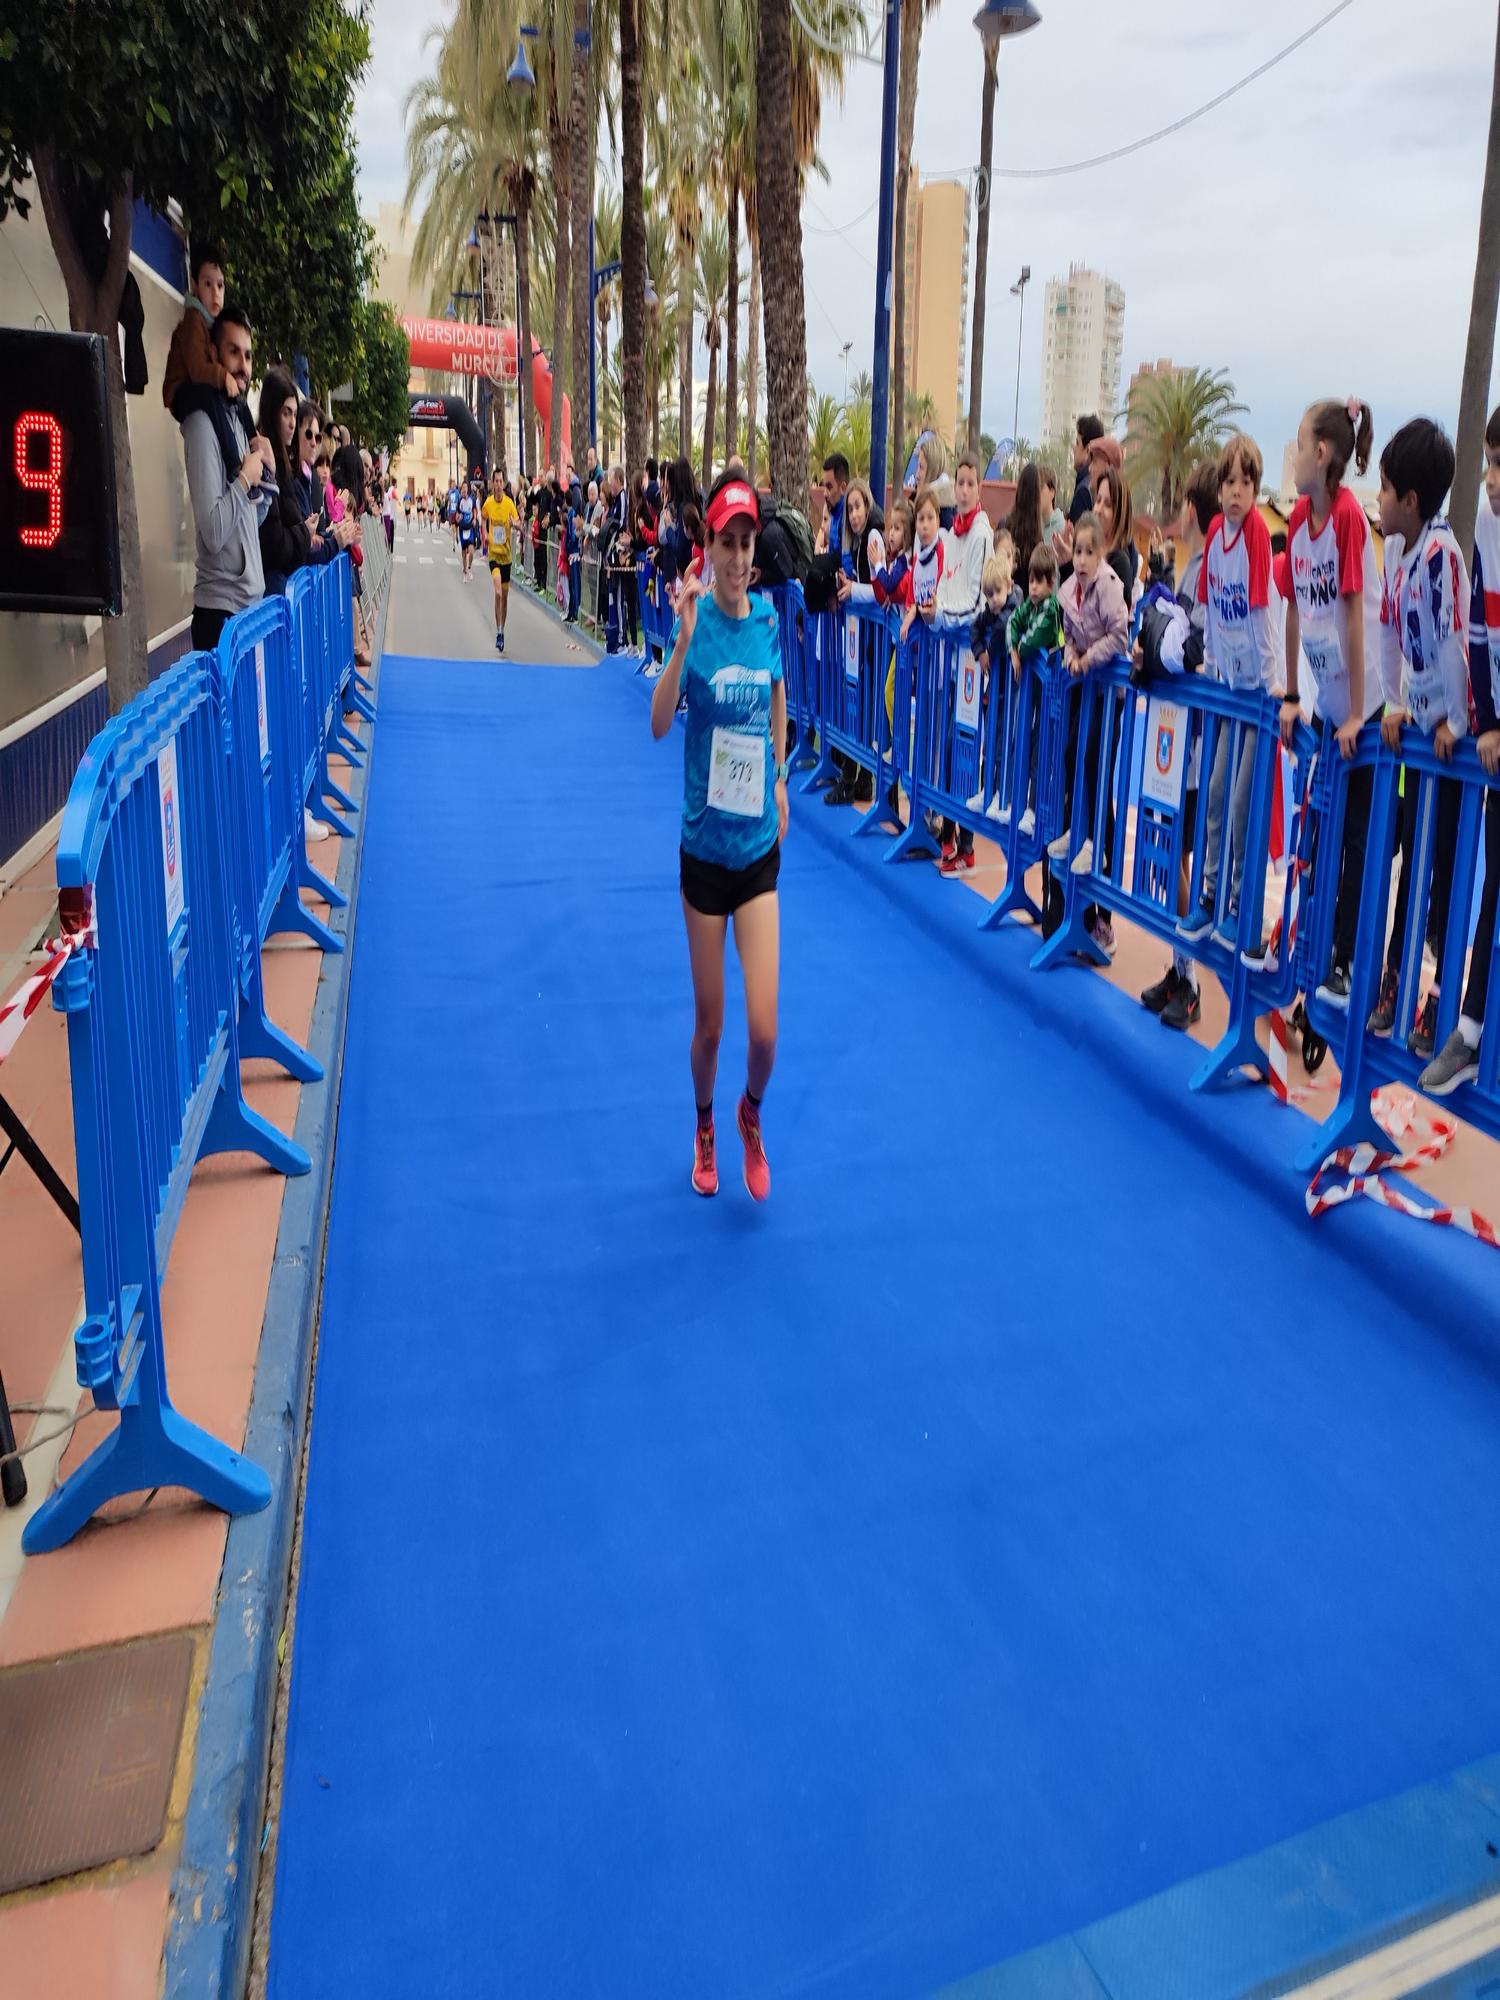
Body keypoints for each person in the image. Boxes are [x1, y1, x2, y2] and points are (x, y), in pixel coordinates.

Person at [649, 472, 788, 1203]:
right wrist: (680, 644)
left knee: (764, 1034)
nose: (735, 558)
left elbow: (776, 699)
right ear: (706, 547)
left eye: (744, 544)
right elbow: (660, 722)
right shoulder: (696, 621)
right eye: (724, 543)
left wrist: (781, 777)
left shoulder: (765, 621)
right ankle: (704, 1122)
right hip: (704, 857)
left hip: (757, 851)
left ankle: (748, 1115)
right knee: (712, 1027)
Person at [1363, 419, 1469, 1057]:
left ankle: (1442, 1003)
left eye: (1385, 489)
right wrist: (1396, 704)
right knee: (1413, 861)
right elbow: (1387, 633)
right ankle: (1397, 983)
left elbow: (1456, 641)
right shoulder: (1400, 555)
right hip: (1417, 740)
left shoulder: (1442, 557)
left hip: (1452, 743)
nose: (1379, 499)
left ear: (1411, 499)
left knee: (1448, 877)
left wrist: (1454, 720)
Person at [1278, 397, 1382, 1002]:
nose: (1292, 455)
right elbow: (1296, 609)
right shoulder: (1297, 519)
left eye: (1297, 444)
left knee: (1353, 842)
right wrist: (1294, 694)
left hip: (1362, 710)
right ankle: (1304, 940)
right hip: (1324, 701)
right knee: (1315, 823)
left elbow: (1352, 617)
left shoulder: (1345, 516)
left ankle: (1343, 959)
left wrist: (1356, 715)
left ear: (1322, 453)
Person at [1423, 404, 1500, 1093]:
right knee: (1492, 887)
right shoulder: (1487, 539)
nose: (1496, 478)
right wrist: (1489, 725)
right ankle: (1472, 1029)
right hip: (1496, 747)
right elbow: (1477, 643)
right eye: (1492, 462)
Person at [1176, 434, 1278, 951]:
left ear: (1256, 489)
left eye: (1246, 482)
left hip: (1258, 691)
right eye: (1230, 482)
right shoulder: (1217, 534)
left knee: (1241, 802)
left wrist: (1264, 685)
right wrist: (1215, 669)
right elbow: (1215, 608)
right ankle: (1211, 897)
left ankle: (1239, 902)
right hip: (1228, 686)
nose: (1237, 492)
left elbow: (1259, 611)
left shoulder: (1258, 534)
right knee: (1215, 793)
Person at [1139, 459, 1217, 1032]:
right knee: (1173, 851)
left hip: (1196, 744)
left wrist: (1159, 650)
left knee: (1186, 858)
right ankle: (1178, 965)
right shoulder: (1195, 569)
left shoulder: (1210, 568)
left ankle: (1192, 979)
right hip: (1179, 737)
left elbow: (1193, 649)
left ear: (1192, 509)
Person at [1047, 512, 1128, 955]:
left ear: (1101, 554)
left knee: (1098, 760)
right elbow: (1069, 630)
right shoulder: (1070, 591)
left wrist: (1089, 657)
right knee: (1074, 753)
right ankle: (1078, 832)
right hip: (1085, 688)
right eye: (1076, 552)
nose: (1080, 560)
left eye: (1088, 552)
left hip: (1107, 693)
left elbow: (1119, 634)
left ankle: (1098, 843)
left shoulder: (1111, 587)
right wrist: (1071, 652)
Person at [180, 303, 272, 649]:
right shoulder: (202, 423)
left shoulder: (234, 419)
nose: (243, 365)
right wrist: (246, 480)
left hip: (246, 612)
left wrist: (266, 480)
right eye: (234, 353)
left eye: (248, 356)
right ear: (214, 355)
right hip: (221, 618)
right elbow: (214, 531)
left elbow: (250, 517)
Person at [1002, 542, 1063, 834]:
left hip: (1053, 693)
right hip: (1034, 694)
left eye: (1039, 581)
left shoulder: (1051, 608)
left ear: (1051, 582)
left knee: (1042, 752)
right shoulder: (1030, 605)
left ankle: (1034, 808)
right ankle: (1015, 801)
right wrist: (1013, 648)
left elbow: (1038, 635)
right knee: (1022, 742)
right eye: (1030, 581)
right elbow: (1012, 623)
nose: (1034, 587)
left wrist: (1020, 648)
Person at [162, 242, 235, 419]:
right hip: (181, 392)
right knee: (212, 400)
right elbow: (197, 369)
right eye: (207, 284)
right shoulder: (194, 320)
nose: (215, 293)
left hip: (194, 389)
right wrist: (223, 376)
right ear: (195, 286)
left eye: (220, 285)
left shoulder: (210, 324)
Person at [482, 465, 521, 654]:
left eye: (500, 481)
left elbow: (520, 524)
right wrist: (484, 535)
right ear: (491, 484)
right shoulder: (488, 503)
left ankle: (500, 631)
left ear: (503, 484)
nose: (497, 485)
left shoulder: (509, 504)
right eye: (495, 481)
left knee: (504, 598)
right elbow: (482, 518)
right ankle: (498, 631)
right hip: (494, 556)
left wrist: (515, 524)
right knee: (498, 593)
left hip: (507, 558)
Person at [1069, 414, 1105, 523]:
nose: (1074, 448)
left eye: (1077, 443)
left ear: (1088, 450)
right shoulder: (1099, 486)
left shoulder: (1083, 492)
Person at [1039, 466, 1066, 550]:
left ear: (1052, 492)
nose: (1035, 494)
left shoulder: (1061, 528)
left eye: (1040, 488)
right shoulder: (1032, 526)